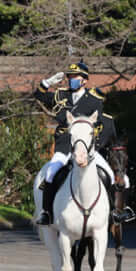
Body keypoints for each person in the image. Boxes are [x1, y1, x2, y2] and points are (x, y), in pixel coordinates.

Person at [33, 60, 110, 225]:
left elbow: (99, 125)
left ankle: (112, 213)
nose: (71, 79)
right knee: (50, 174)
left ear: (85, 80)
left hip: (86, 148)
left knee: (108, 173)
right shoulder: (60, 95)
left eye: (75, 77)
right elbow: (39, 95)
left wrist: (93, 145)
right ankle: (46, 213)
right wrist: (47, 83)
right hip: (64, 145)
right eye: (70, 77)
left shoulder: (94, 100)